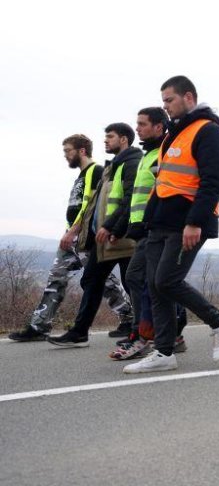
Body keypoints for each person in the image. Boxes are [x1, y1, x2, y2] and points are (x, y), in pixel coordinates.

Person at [122, 75, 219, 373]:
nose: (166, 107)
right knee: (155, 286)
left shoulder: (208, 131)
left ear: (189, 97)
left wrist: (196, 221)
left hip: (187, 222)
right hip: (160, 221)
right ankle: (164, 352)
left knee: (167, 280)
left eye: (169, 100)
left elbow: (214, 181)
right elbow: (167, 179)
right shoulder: (175, 134)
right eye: (163, 102)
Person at [8, 136, 131, 342]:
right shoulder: (81, 176)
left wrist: (74, 231)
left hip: (84, 237)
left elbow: (92, 206)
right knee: (56, 278)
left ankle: (128, 317)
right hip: (71, 236)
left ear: (82, 151)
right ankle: (39, 326)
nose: (66, 155)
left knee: (102, 280)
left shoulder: (97, 171)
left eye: (68, 151)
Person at [48, 123, 140, 347]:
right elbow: (95, 204)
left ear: (124, 139)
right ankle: (80, 333)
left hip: (123, 238)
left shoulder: (131, 163)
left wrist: (112, 227)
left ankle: (152, 329)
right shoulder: (112, 166)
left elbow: (130, 199)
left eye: (110, 136)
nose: (105, 140)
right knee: (92, 279)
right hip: (106, 239)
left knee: (135, 283)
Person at [112, 107, 189, 361]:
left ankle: (146, 334)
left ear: (159, 127)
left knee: (145, 279)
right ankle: (168, 333)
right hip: (143, 228)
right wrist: (123, 227)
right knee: (148, 280)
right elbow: (136, 196)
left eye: (142, 124)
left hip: (156, 227)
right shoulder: (147, 156)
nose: (137, 128)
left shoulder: (161, 154)